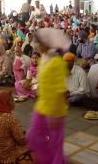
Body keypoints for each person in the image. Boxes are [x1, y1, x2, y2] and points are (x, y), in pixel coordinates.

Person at [27, 28, 71, 164]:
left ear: (49, 43)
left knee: (55, 143)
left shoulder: (58, 63)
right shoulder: (44, 58)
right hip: (42, 105)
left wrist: (54, 115)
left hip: (55, 109)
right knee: (33, 136)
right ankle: (47, 159)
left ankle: (56, 161)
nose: (38, 46)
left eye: (40, 43)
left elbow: (61, 90)